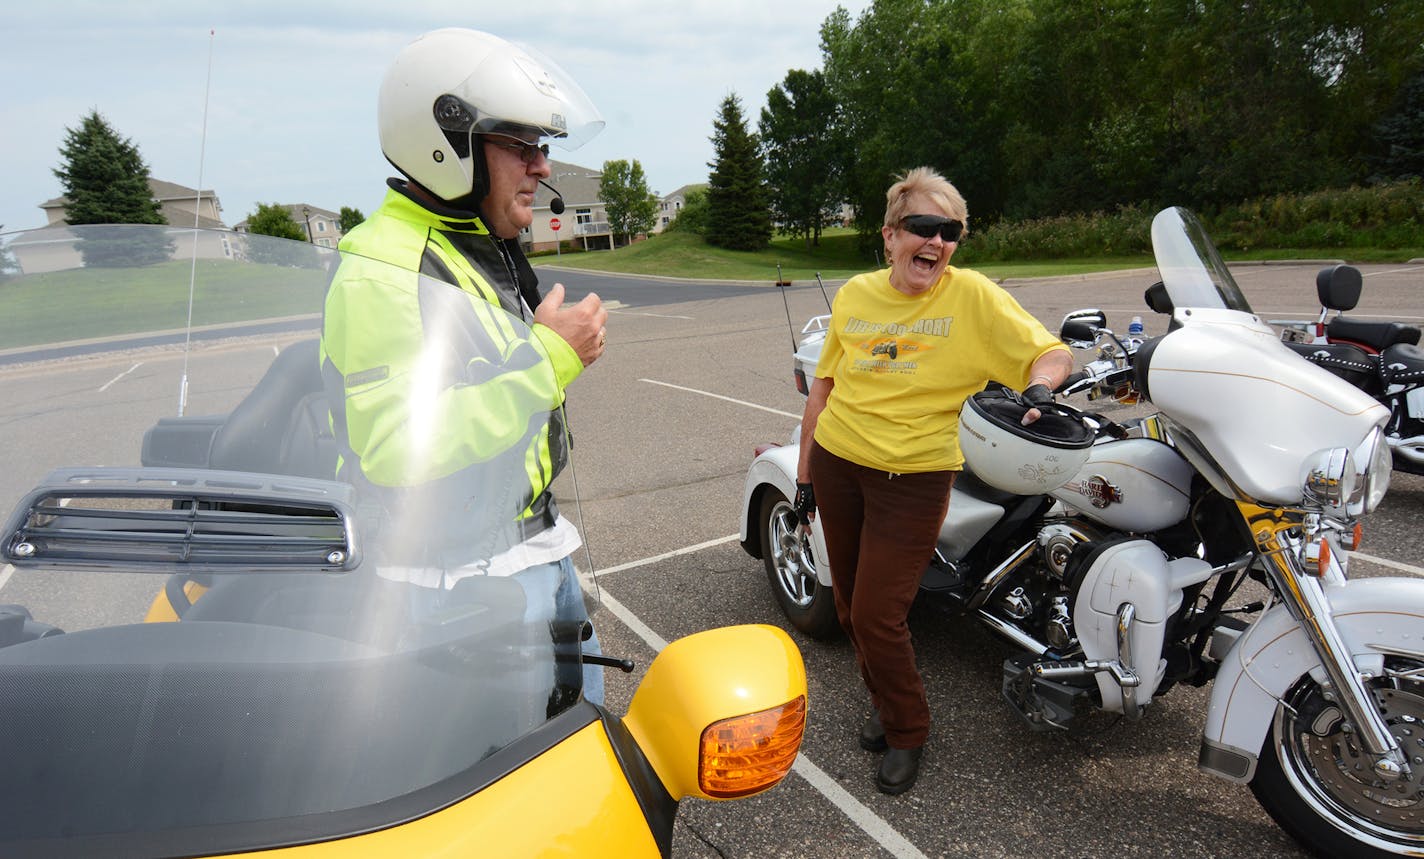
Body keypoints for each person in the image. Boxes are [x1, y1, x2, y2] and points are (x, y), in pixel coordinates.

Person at [318, 28, 609, 702]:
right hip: (455, 588)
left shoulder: (475, 239)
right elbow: (393, 447)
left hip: (532, 545)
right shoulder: (383, 268)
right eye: (522, 145)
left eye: (544, 148)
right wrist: (550, 359)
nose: (541, 167)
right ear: (448, 142)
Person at [793, 166, 1073, 794]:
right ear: (890, 235)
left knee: (877, 613)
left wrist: (1039, 388)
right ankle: (886, 703)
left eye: (951, 232)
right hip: (840, 462)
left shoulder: (971, 295)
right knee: (846, 601)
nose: (938, 243)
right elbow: (825, 389)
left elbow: (1049, 352)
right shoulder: (857, 295)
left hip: (915, 475)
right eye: (924, 227)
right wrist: (807, 477)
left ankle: (908, 730)